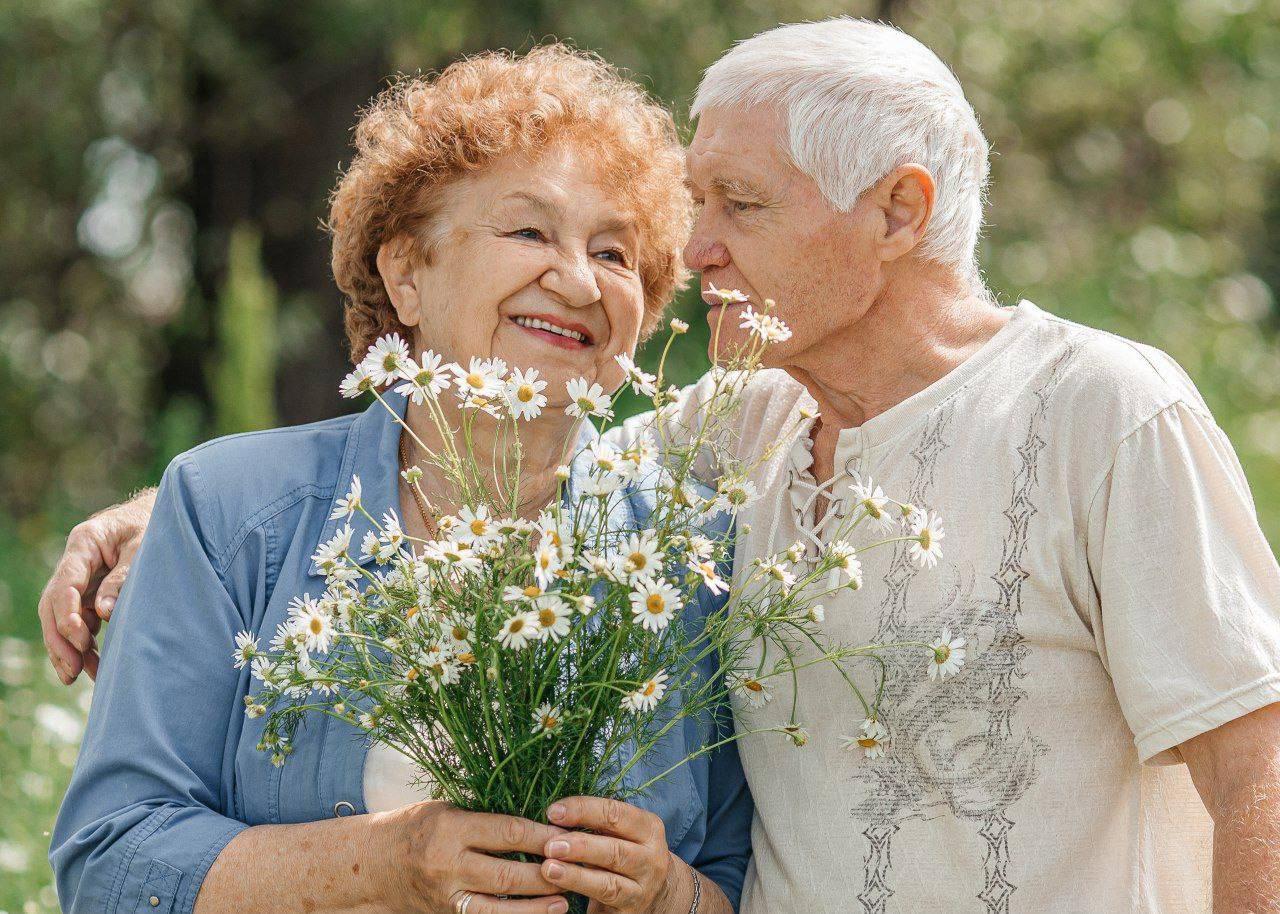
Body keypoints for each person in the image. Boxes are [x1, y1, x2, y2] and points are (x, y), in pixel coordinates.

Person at [43, 16, 1280, 913]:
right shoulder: (734, 441)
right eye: (687, 209)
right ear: (405, 272)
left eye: (733, 206)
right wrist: (166, 512)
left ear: (898, 213)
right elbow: (491, 458)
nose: (694, 251)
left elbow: (1258, 767)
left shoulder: (1098, 412)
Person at [46, 45, 751, 914]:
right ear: (406, 275)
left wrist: (669, 894)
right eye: (528, 231)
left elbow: (738, 880)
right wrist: (387, 863)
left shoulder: (688, 555)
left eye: (614, 252)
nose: (576, 280)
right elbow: (110, 862)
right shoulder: (226, 512)